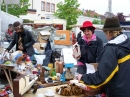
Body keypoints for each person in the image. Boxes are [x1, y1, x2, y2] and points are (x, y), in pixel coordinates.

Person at [79, 17, 130, 97]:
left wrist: (83, 78)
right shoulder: (126, 43)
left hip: (117, 92)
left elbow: (101, 76)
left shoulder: (112, 49)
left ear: (108, 32)